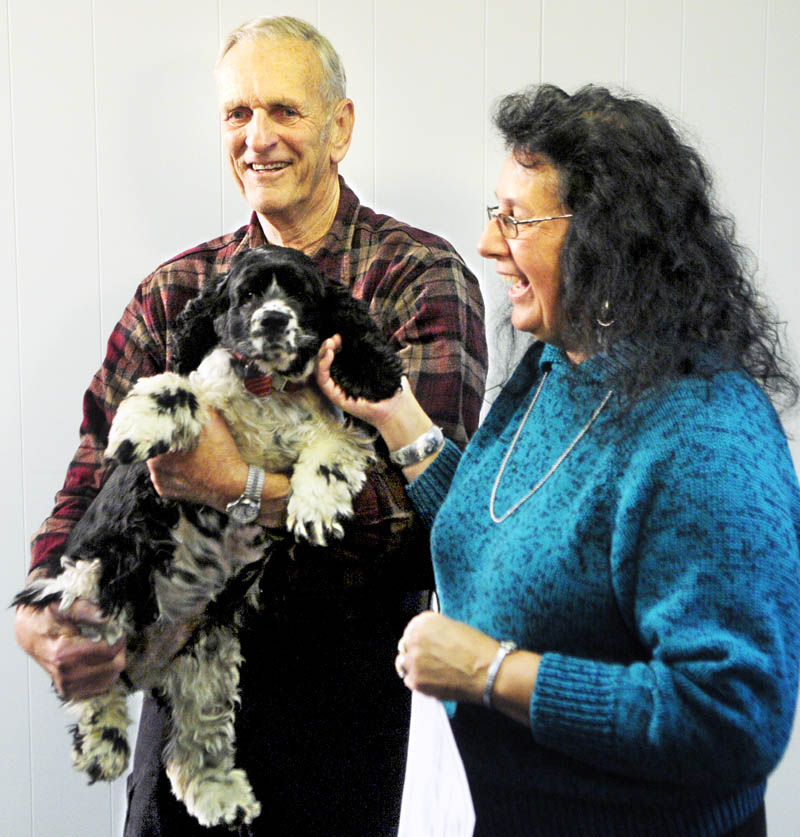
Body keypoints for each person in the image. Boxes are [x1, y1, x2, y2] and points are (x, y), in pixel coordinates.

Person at [14, 16, 487, 836]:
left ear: (340, 128)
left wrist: (238, 487)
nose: (257, 138)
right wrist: (40, 614)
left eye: (284, 111)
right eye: (237, 115)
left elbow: (428, 522)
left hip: (343, 702)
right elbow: (94, 470)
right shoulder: (178, 290)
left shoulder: (418, 277)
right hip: (184, 686)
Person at [316, 84, 800, 836]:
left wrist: (490, 670)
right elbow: (514, 535)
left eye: (517, 220)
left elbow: (732, 717)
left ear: (608, 238)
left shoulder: (707, 434)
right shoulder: (558, 367)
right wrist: (401, 420)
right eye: (493, 212)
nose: (486, 244)